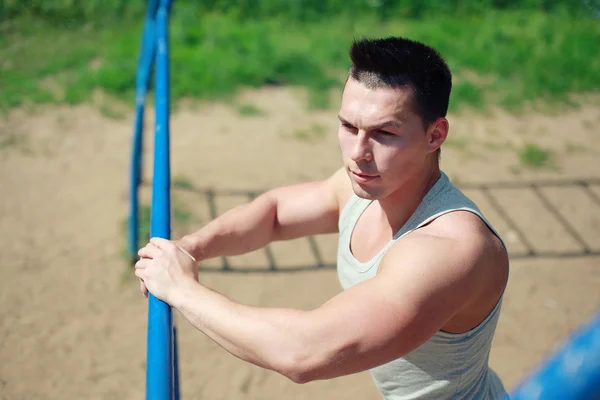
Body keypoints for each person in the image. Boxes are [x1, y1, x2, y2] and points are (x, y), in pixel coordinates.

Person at [135, 36, 510, 399]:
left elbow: (303, 353)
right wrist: (190, 247)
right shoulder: (367, 186)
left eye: (384, 133)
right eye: (349, 127)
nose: (358, 153)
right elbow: (276, 214)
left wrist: (181, 288)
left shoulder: (449, 251)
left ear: (435, 135)